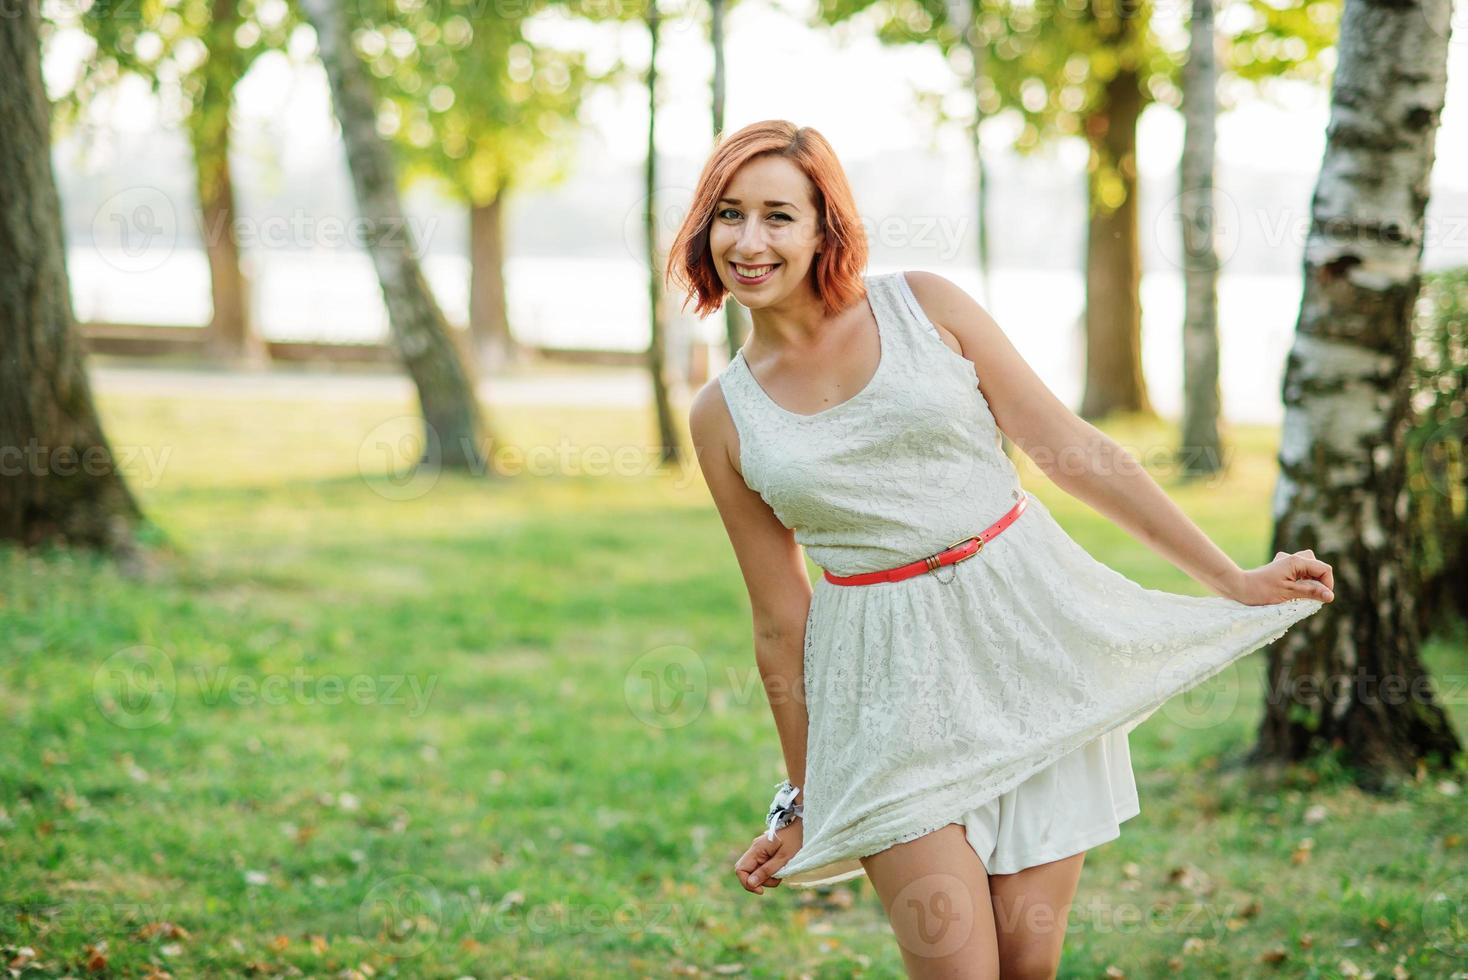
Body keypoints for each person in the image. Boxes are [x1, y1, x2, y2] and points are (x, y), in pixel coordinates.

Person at [672, 119, 1335, 979]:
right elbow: (777, 615)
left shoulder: (924, 306)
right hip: (882, 689)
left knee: (1027, 964)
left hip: (1030, 640)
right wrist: (805, 794)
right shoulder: (723, 415)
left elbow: (1074, 450)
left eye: (777, 215)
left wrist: (1232, 579)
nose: (749, 241)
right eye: (729, 215)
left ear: (824, 225)